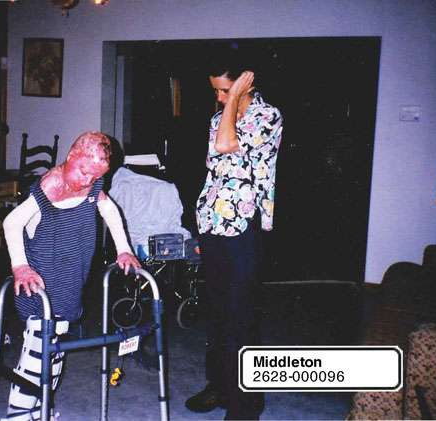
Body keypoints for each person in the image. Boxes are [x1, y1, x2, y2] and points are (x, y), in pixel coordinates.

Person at [2, 131, 141, 419]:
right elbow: (11, 223)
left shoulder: (91, 187)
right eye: (83, 172)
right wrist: (20, 266)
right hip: (40, 286)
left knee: (55, 353)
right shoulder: (48, 189)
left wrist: (124, 249)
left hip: (69, 284)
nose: (87, 181)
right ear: (70, 157)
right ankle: (18, 414)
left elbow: (110, 211)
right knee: (37, 354)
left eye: (96, 176)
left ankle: (40, 409)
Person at [186, 61, 282, 420]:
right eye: (215, 90)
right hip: (214, 222)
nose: (219, 97)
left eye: (225, 89)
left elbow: (227, 144)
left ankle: (246, 404)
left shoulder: (268, 116)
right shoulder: (218, 118)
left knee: (241, 314)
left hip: (245, 224)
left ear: (246, 84)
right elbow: (213, 172)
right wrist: (201, 226)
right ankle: (219, 385)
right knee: (216, 312)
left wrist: (236, 97)